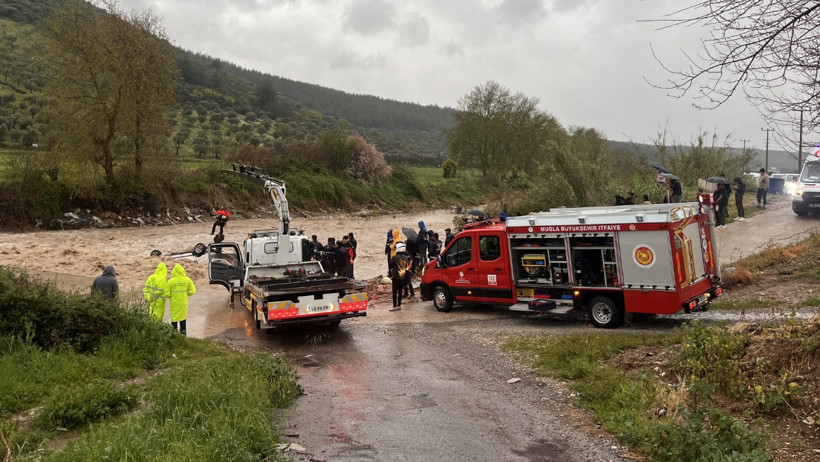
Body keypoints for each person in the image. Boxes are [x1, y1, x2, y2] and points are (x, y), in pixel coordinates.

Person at [166, 263, 196, 335]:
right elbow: (192, 291)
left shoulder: (170, 281)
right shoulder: (187, 280)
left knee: (174, 319)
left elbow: (166, 293)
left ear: (174, 271)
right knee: (183, 319)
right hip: (183, 303)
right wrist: (186, 294)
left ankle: (173, 335)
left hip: (174, 303)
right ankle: (183, 335)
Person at [389, 242, 410, 311]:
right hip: (403, 276)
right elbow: (407, 267)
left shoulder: (394, 257)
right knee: (400, 291)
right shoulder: (406, 258)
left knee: (395, 292)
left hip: (395, 277)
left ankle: (394, 305)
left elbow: (390, 265)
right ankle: (399, 305)